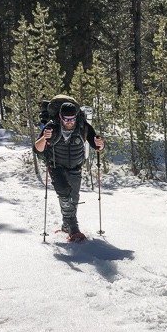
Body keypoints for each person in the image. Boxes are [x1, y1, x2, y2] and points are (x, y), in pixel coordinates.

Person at [34, 99, 104, 241]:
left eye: (72, 119)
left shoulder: (82, 126)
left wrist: (100, 144)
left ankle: (66, 225)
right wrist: (44, 138)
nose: (70, 122)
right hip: (56, 166)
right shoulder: (52, 127)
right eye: (66, 119)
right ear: (60, 117)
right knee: (64, 192)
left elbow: (96, 146)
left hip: (76, 166)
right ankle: (74, 228)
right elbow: (37, 148)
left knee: (74, 198)